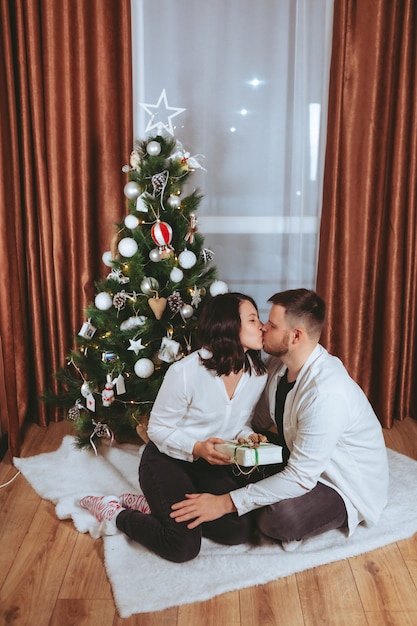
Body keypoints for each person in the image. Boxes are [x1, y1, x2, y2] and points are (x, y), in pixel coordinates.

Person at [170, 289, 389, 551]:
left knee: (277, 519)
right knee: (237, 459)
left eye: (272, 325)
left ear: (296, 336)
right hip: (300, 458)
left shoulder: (326, 392)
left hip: (340, 483)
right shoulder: (278, 365)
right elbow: (258, 423)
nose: (263, 327)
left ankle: (308, 518)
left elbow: (300, 477)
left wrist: (224, 503)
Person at [80, 292, 269, 562]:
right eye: (253, 319)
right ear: (228, 325)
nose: (262, 326)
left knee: (238, 530)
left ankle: (156, 508)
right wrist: (197, 447)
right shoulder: (186, 372)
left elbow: (239, 422)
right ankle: (116, 513)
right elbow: (157, 429)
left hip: (209, 464)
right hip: (165, 459)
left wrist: (249, 436)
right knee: (182, 546)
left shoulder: (256, 374)